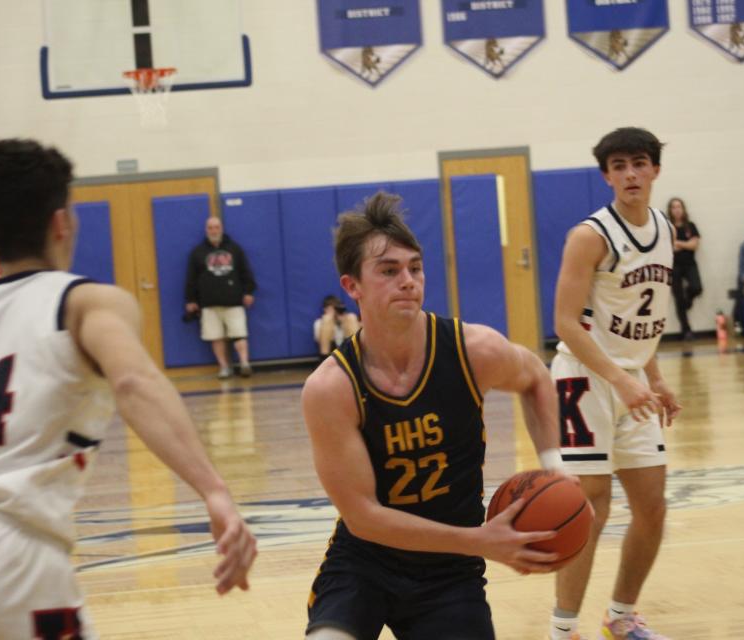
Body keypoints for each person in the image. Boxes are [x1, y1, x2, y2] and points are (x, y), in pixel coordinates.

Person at [0, 139, 256, 639]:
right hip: (7, 558)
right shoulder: (83, 303)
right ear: (62, 222)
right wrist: (214, 490)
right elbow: (134, 381)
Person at [302, 192, 567, 640]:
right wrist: (480, 541)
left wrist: (555, 466)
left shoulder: (473, 350)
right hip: (367, 561)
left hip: (449, 574)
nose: (407, 280)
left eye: (415, 268)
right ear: (353, 286)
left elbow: (536, 377)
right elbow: (364, 516)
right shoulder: (332, 388)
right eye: (389, 271)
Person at [550, 127, 680, 640]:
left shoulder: (665, 228)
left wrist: (654, 375)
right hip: (582, 379)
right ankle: (562, 629)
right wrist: (619, 380)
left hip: (630, 381)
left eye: (640, 163)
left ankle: (621, 616)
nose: (631, 173)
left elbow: (641, 315)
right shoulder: (590, 236)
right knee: (593, 506)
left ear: (655, 170)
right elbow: (564, 322)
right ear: (606, 175)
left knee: (652, 503)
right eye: (620, 165)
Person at [184, 217, 257, 378]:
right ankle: (224, 367)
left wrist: (249, 292)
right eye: (210, 228)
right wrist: (190, 300)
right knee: (215, 337)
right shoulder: (197, 252)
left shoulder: (235, 249)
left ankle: (244, 364)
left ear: (221, 228)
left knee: (239, 334)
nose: (214, 231)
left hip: (234, 302)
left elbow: (246, 272)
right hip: (209, 304)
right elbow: (191, 278)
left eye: (216, 227)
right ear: (206, 230)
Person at [665, 197, 702, 340]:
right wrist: (685, 244)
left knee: (697, 287)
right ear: (670, 210)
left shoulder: (690, 226)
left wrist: (678, 244)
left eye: (679, 206)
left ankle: (689, 300)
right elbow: (669, 247)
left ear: (683, 209)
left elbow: (694, 245)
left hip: (690, 264)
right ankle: (686, 330)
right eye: (673, 207)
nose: (677, 209)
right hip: (674, 266)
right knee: (678, 299)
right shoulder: (668, 227)